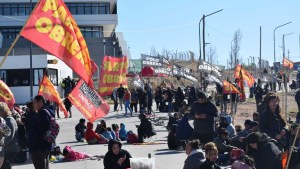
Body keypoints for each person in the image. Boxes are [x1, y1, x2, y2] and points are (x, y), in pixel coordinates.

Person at [28, 95, 52, 169]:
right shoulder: (44, 112)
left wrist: (34, 143)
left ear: (40, 102)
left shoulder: (42, 113)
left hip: (39, 148)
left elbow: (42, 130)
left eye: (35, 102)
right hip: (42, 147)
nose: (33, 104)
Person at [0, 103, 18, 169]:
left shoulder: (8, 120)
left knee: (5, 166)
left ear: (4, 111)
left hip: (9, 149)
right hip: (5, 148)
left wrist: (2, 144)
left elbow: (9, 136)